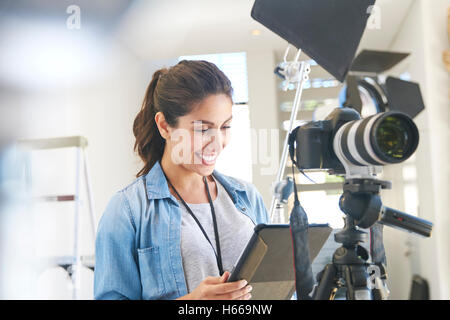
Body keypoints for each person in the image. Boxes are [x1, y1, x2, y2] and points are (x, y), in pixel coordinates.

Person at [94, 60, 269, 300]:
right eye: (202, 129)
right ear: (165, 126)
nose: (217, 143)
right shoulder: (128, 210)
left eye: (225, 127)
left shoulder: (247, 197)